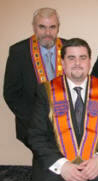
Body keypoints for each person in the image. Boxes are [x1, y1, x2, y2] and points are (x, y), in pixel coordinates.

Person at [27, 38, 98, 181]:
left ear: (89, 61)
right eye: (71, 58)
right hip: (58, 165)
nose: (77, 63)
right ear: (63, 62)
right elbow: (36, 135)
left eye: (82, 57)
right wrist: (62, 165)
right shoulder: (46, 91)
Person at [3, 7, 65, 146]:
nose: (47, 33)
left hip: (68, 124)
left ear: (58, 28)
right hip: (33, 124)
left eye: (52, 27)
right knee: (43, 161)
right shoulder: (19, 51)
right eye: (42, 27)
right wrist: (36, 121)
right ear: (34, 27)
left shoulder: (69, 48)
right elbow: (11, 93)